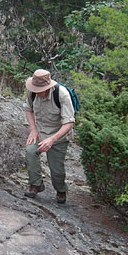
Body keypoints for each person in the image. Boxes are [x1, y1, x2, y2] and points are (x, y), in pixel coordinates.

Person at [23, 69, 75, 204]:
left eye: (39, 89)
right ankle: (36, 184)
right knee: (30, 152)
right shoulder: (32, 91)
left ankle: (61, 190)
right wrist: (33, 130)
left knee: (56, 169)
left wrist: (52, 139)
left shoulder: (62, 94)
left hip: (59, 135)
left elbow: (69, 123)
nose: (37, 92)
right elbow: (28, 109)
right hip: (40, 131)